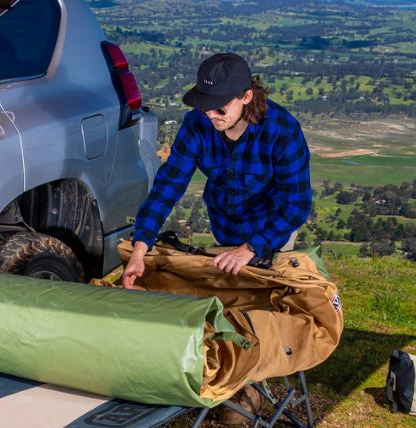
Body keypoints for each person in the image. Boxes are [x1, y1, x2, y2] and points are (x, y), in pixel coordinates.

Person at [122, 53, 312, 287]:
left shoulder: (283, 131)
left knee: (264, 306)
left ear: (246, 96)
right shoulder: (196, 125)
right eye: (205, 108)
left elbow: (297, 204)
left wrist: (251, 248)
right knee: (225, 300)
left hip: (271, 234)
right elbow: (166, 189)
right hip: (223, 230)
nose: (210, 115)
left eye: (219, 109)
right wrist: (140, 250)